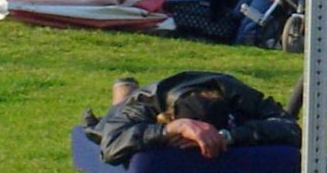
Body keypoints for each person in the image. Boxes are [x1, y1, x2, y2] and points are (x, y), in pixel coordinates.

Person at [93, 70, 300, 164]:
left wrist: (229, 136)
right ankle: (123, 90)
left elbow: (290, 128)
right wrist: (167, 131)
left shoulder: (238, 96)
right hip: (155, 95)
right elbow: (110, 147)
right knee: (106, 122)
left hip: (210, 84)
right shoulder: (147, 103)